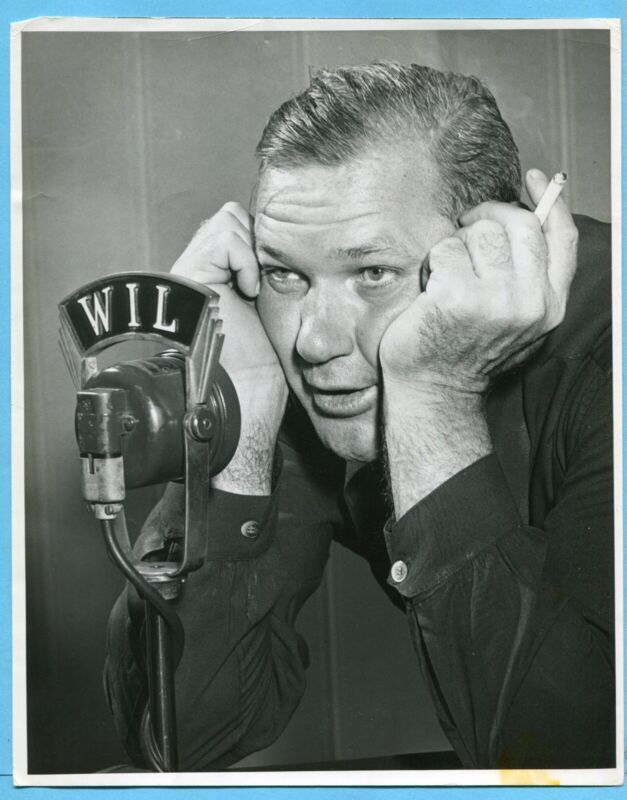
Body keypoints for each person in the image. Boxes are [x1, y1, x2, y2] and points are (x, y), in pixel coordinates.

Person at [104, 62, 614, 771]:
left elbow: (567, 767)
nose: (311, 341)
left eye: (372, 272)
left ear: (493, 251)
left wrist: (433, 396)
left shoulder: (605, 361)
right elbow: (180, 744)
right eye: (284, 273)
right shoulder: (293, 359)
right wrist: (236, 431)